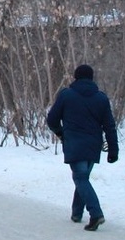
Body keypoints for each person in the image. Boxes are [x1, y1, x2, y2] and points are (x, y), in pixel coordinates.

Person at [46, 64, 119, 230]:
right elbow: (109, 126)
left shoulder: (67, 95)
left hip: (74, 143)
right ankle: (77, 213)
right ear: (92, 78)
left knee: (80, 178)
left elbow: (52, 119)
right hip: (93, 145)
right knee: (83, 177)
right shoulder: (101, 98)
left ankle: (96, 214)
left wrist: (61, 133)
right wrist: (113, 149)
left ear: (75, 77)